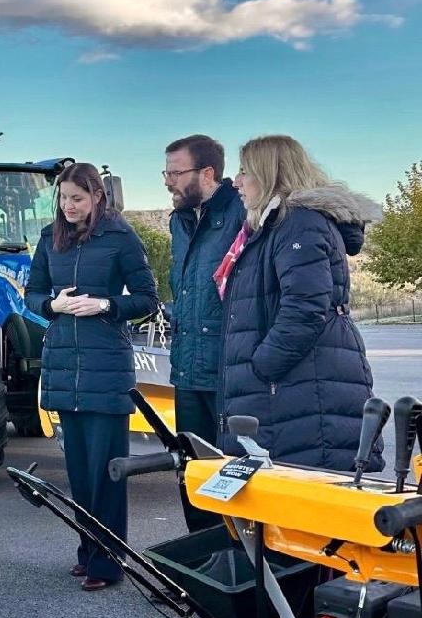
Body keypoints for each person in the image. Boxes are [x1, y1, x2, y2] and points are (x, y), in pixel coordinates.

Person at [26, 163, 159, 591]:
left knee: (107, 473)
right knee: (81, 474)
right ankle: (88, 552)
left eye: (77, 199)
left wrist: (105, 305)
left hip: (107, 367)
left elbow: (147, 298)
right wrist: (53, 306)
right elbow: (32, 294)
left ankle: (108, 562)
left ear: (97, 196)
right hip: (65, 368)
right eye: (63, 198)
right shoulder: (49, 238)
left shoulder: (121, 237)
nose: (68, 206)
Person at [218, 135, 383, 470]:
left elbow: (306, 309)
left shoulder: (298, 223)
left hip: (301, 390)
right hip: (291, 389)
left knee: (305, 488)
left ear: (270, 174)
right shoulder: (276, 226)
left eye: (245, 171)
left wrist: (262, 367)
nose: (236, 182)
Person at [164, 135, 246, 531]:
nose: (168, 181)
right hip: (187, 372)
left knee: (233, 479)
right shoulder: (179, 222)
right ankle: (201, 559)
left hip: (228, 374)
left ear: (208, 173)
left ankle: (237, 561)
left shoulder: (242, 211)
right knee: (192, 473)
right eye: (165, 173)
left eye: (175, 173)